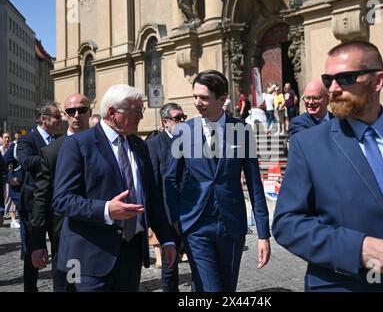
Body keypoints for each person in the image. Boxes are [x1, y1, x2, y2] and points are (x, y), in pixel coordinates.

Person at [272, 40, 383, 292]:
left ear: (378, 81)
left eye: (345, 79)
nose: (332, 89)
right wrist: (356, 249)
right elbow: (287, 223)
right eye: (328, 79)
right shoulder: (308, 145)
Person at [52, 84, 176, 291]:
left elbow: (152, 197)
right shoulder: (78, 145)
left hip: (131, 254)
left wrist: (167, 240)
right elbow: (62, 200)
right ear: (112, 113)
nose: (141, 116)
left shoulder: (139, 145)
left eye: (141, 110)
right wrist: (106, 210)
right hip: (89, 256)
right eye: (136, 110)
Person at [165, 70, 271, 292]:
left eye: (203, 98)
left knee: (225, 288)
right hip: (195, 225)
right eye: (195, 96)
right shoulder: (183, 131)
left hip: (231, 225)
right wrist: (175, 217)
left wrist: (263, 234)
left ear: (222, 99)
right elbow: (170, 179)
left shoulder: (242, 130)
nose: (197, 103)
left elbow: (254, 184)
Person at [30, 94, 92, 291]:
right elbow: (41, 197)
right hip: (66, 237)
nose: (77, 115)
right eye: (71, 111)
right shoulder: (52, 151)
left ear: (89, 112)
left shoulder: (106, 145)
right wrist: (38, 242)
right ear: (65, 115)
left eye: (82, 110)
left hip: (101, 236)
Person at [17, 102, 62, 292]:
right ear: (44, 119)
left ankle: (60, 286)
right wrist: (52, 158)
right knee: (33, 250)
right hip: (33, 205)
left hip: (56, 203)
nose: (61, 120)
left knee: (60, 248)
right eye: (57, 117)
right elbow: (27, 162)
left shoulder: (59, 139)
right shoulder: (28, 140)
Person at [147, 102, 188, 292]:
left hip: (191, 211)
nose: (182, 121)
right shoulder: (155, 144)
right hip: (167, 214)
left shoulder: (191, 142)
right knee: (170, 264)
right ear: (165, 122)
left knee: (197, 261)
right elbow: (154, 183)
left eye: (183, 117)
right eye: (177, 118)